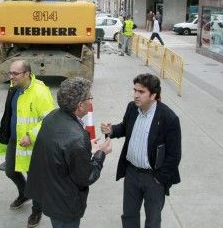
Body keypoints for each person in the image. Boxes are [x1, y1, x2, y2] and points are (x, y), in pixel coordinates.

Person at [25, 77, 112, 228]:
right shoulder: (77, 138)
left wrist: (85, 149)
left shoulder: (52, 117)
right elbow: (86, 177)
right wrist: (101, 154)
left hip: (49, 195)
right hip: (65, 205)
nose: (91, 102)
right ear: (80, 105)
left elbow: (59, 152)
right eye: (89, 98)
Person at [100, 73, 181, 228]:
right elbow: (125, 127)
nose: (136, 95)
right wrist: (111, 130)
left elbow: (174, 155)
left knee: (153, 220)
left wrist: (159, 179)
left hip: (154, 179)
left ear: (154, 95)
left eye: (141, 92)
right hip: (131, 173)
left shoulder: (168, 118)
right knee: (129, 216)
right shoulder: (132, 108)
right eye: (135, 90)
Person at [0, 59, 55, 228]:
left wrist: (31, 135)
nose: (11, 77)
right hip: (16, 140)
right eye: (10, 73)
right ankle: (24, 193)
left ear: (27, 74)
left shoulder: (40, 92)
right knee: (10, 171)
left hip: (33, 143)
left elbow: (49, 119)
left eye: (15, 73)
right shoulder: (15, 88)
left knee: (35, 178)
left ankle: (37, 210)